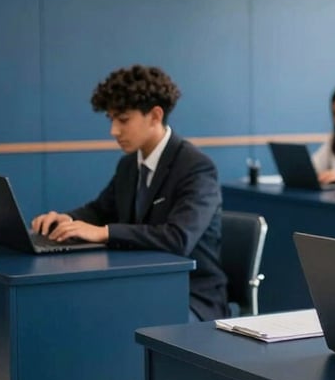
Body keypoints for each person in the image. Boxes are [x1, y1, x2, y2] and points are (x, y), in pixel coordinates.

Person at [32, 65, 227, 321]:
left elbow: (178, 238)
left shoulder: (196, 167)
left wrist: (105, 232)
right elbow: (100, 210)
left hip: (189, 294)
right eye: (111, 119)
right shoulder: (129, 164)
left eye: (122, 120)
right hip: (141, 284)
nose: (114, 130)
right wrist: (65, 220)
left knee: (117, 320)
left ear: (155, 115)